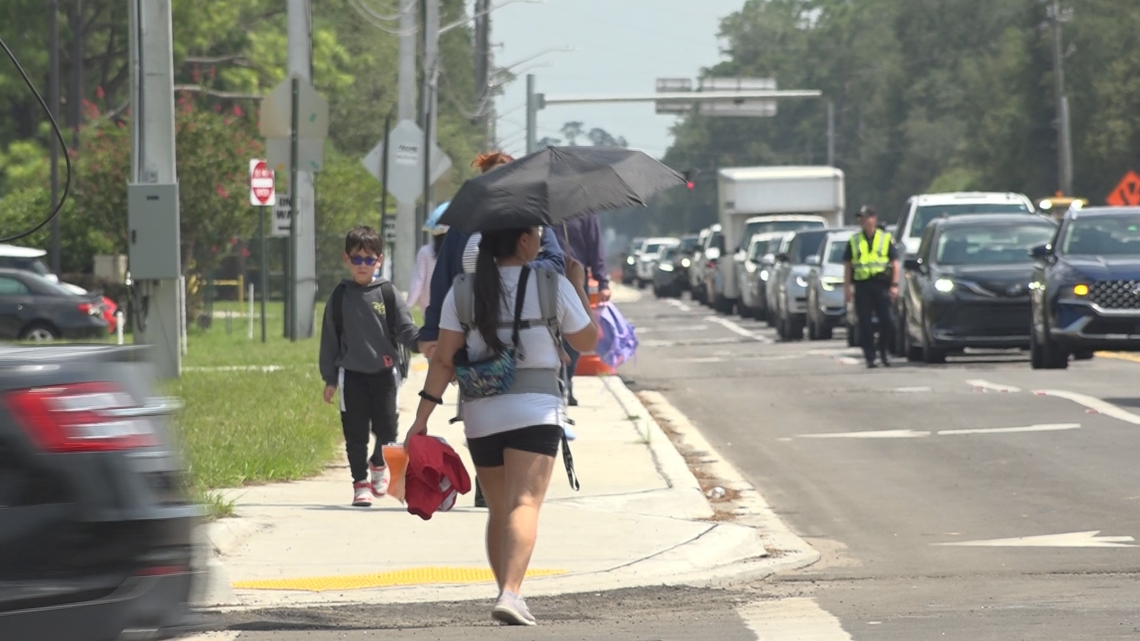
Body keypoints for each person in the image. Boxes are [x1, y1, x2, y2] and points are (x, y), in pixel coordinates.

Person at [406, 227, 598, 626]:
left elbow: (444, 360)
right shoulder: (552, 284)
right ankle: (511, 592)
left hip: (481, 414)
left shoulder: (462, 290)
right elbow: (588, 340)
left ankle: (506, 591)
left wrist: (421, 419)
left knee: (498, 508)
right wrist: (579, 287)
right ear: (525, 241)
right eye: (538, 234)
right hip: (536, 409)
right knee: (524, 504)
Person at [417, 151, 566, 509]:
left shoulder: (533, 224)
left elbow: (556, 263)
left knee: (513, 400)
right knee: (479, 392)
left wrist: (515, 268)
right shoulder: (465, 227)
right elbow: (445, 279)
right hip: (473, 327)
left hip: (522, 323)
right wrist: (431, 329)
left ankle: (506, 481)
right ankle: (490, 477)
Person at [319, 225, 420, 507]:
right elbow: (329, 340)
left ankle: (378, 463)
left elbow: (405, 329)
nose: (362, 265)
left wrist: (422, 343)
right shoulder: (340, 297)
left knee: (388, 429)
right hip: (350, 376)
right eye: (356, 259)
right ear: (346, 259)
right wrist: (329, 378)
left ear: (379, 260)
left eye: (368, 259)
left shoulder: (387, 293)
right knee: (355, 433)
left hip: (385, 374)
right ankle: (359, 483)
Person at [552, 214, 610, 406]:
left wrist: (603, 282)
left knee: (576, 332)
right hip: (545, 274)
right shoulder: (541, 208)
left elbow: (595, 246)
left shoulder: (584, 212)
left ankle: (567, 380)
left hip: (575, 275)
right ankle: (555, 383)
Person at [843, 205, 900, 368]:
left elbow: (894, 263)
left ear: (873, 218)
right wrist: (847, 287)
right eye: (860, 217)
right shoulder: (854, 240)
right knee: (865, 323)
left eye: (865, 217)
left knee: (887, 321)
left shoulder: (885, 238)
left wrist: (894, 285)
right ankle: (870, 356)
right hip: (862, 286)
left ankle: (883, 351)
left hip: (881, 284)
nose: (862, 220)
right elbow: (848, 265)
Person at [406, 226, 448, 313]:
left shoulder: (425, 251)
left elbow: (418, 280)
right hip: (449, 301)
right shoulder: (453, 251)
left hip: (428, 304)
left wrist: (408, 305)